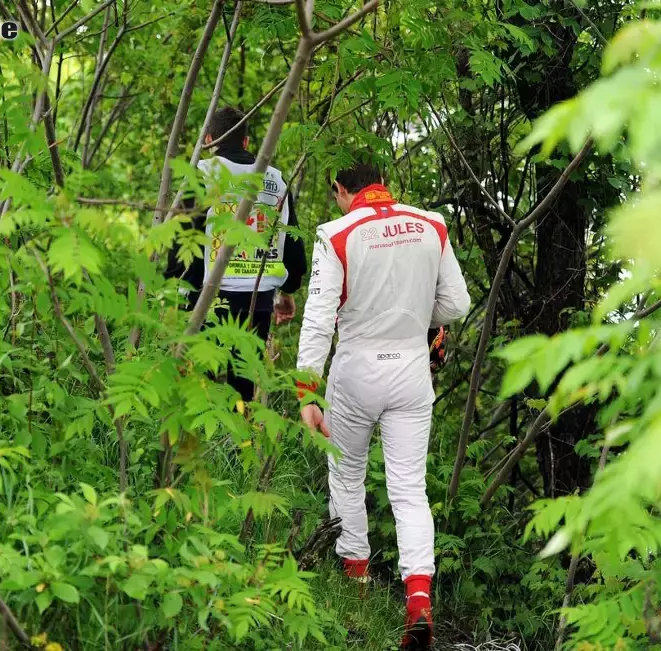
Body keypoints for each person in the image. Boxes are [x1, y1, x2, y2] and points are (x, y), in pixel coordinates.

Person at [294, 158, 471, 650]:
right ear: (384, 185)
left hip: (356, 371)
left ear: (340, 189)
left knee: (346, 476)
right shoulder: (431, 224)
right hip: (412, 370)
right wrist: (417, 319)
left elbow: (317, 318)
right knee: (410, 489)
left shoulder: (337, 234)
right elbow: (457, 304)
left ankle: (356, 589)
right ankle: (419, 600)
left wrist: (307, 391)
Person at [166, 107, 307, 402]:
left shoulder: (203, 173)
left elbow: (182, 239)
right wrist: (289, 289)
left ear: (208, 139)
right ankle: (236, 445)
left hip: (207, 297)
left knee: (199, 386)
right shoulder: (275, 180)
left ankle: (202, 445)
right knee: (241, 387)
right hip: (259, 299)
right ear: (246, 142)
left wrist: (175, 290)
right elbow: (291, 240)